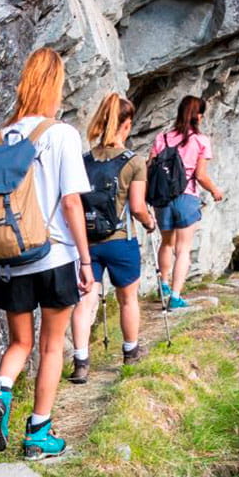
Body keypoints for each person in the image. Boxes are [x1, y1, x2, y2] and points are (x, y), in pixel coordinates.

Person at [0, 47, 92, 460]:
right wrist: (85, 261)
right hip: (55, 257)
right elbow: (70, 204)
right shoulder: (61, 134)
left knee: (19, 343)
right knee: (51, 346)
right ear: (55, 86)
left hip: (10, 259)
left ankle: (1, 390)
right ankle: (38, 434)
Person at [69, 93, 157, 384]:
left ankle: (81, 362)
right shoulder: (134, 162)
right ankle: (130, 352)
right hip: (120, 241)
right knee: (128, 299)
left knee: (85, 300)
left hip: (87, 242)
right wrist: (149, 222)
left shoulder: (83, 161)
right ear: (127, 124)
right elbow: (137, 207)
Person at [151, 95, 226, 310]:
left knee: (166, 243)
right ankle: (175, 297)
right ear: (199, 116)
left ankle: (163, 285)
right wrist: (214, 191)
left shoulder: (162, 138)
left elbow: (151, 167)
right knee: (183, 250)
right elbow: (201, 175)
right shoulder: (200, 141)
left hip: (162, 199)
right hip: (186, 197)